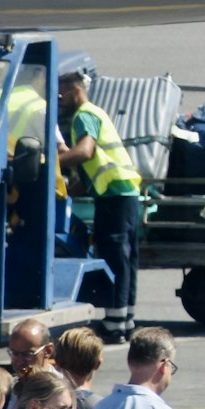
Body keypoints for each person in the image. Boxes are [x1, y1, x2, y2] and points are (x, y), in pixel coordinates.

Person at [55, 57, 143, 340]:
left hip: (115, 197)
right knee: (126, 259)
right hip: (123, 195)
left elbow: (84, 152)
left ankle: (115, 325)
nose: (59, 98)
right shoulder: (96, 112)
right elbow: (88, 178)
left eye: (62, 92)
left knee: (115, 258)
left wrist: (50, 166)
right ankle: (125, 321)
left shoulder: (84, 116)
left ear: (75, 89)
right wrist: (65, 190)